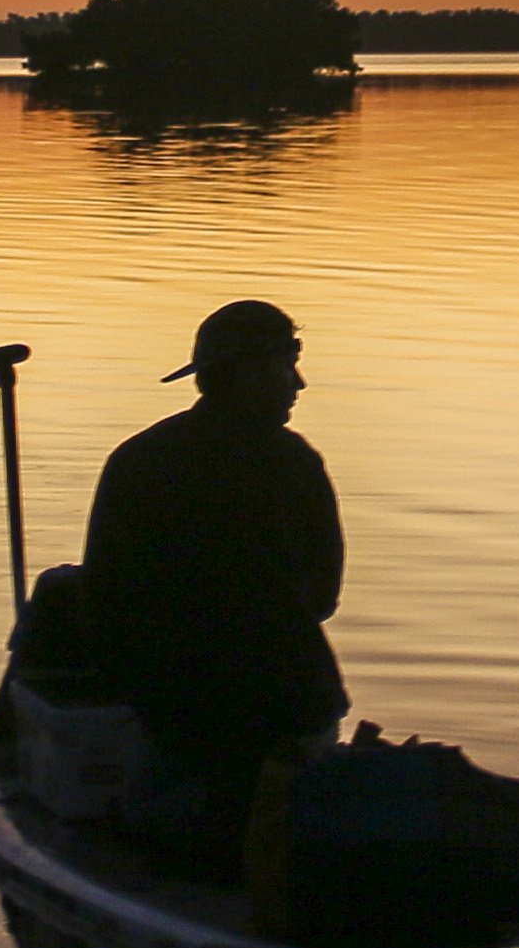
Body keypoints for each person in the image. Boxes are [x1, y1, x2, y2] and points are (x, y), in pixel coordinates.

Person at [81, 301, 346, 882]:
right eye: (288, 364)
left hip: (178, 717)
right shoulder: (295, 464)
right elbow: (324, 598)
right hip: (292, 709)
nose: (299, 383)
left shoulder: (139, 460)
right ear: (249, 372)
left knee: (169, 847)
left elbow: (101, 600)